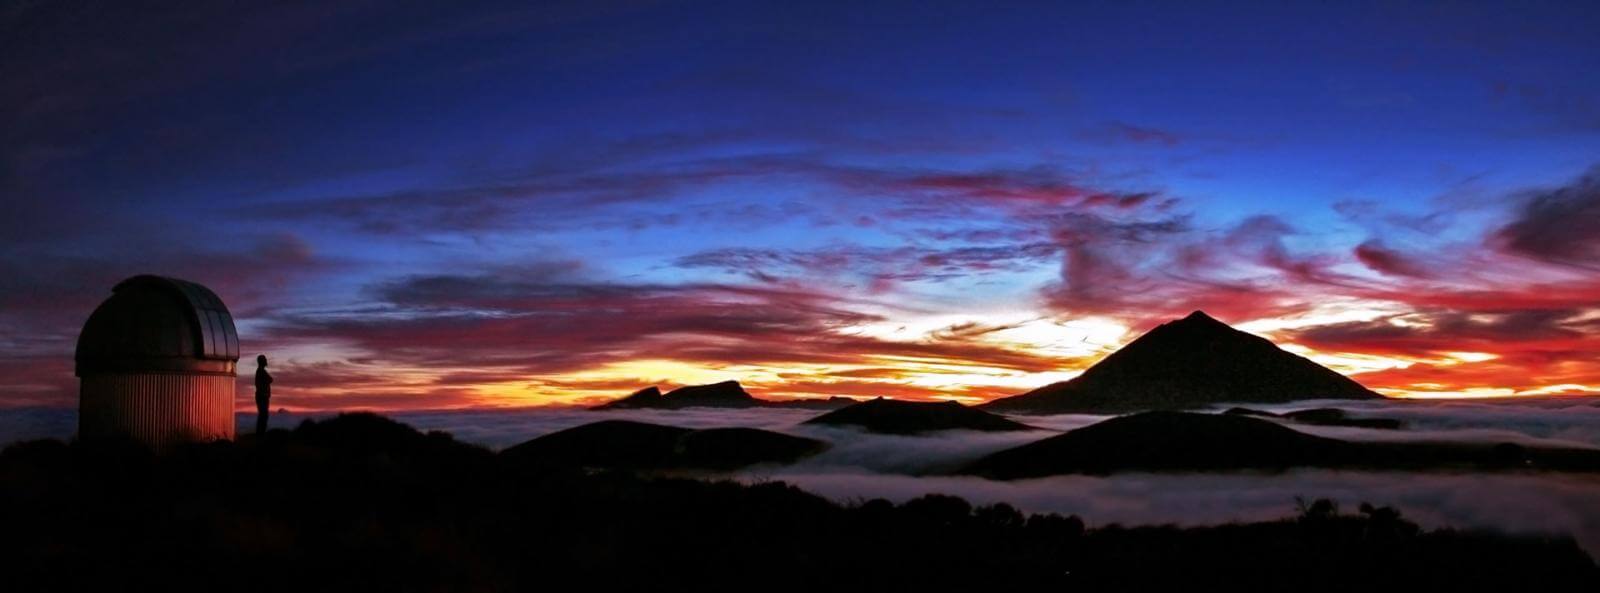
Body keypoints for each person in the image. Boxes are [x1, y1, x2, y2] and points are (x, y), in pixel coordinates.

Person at [255, 354, 273, 434]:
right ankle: (261, 433)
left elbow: (269, 379)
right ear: (262, 362)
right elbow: (270, 379)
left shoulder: (261, 371)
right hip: (262, 396)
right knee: (263, 415)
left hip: (262, 396)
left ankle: (261, 433)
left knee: (263, 415)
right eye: (265, 360)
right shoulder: (261, 371)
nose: (266, 361)